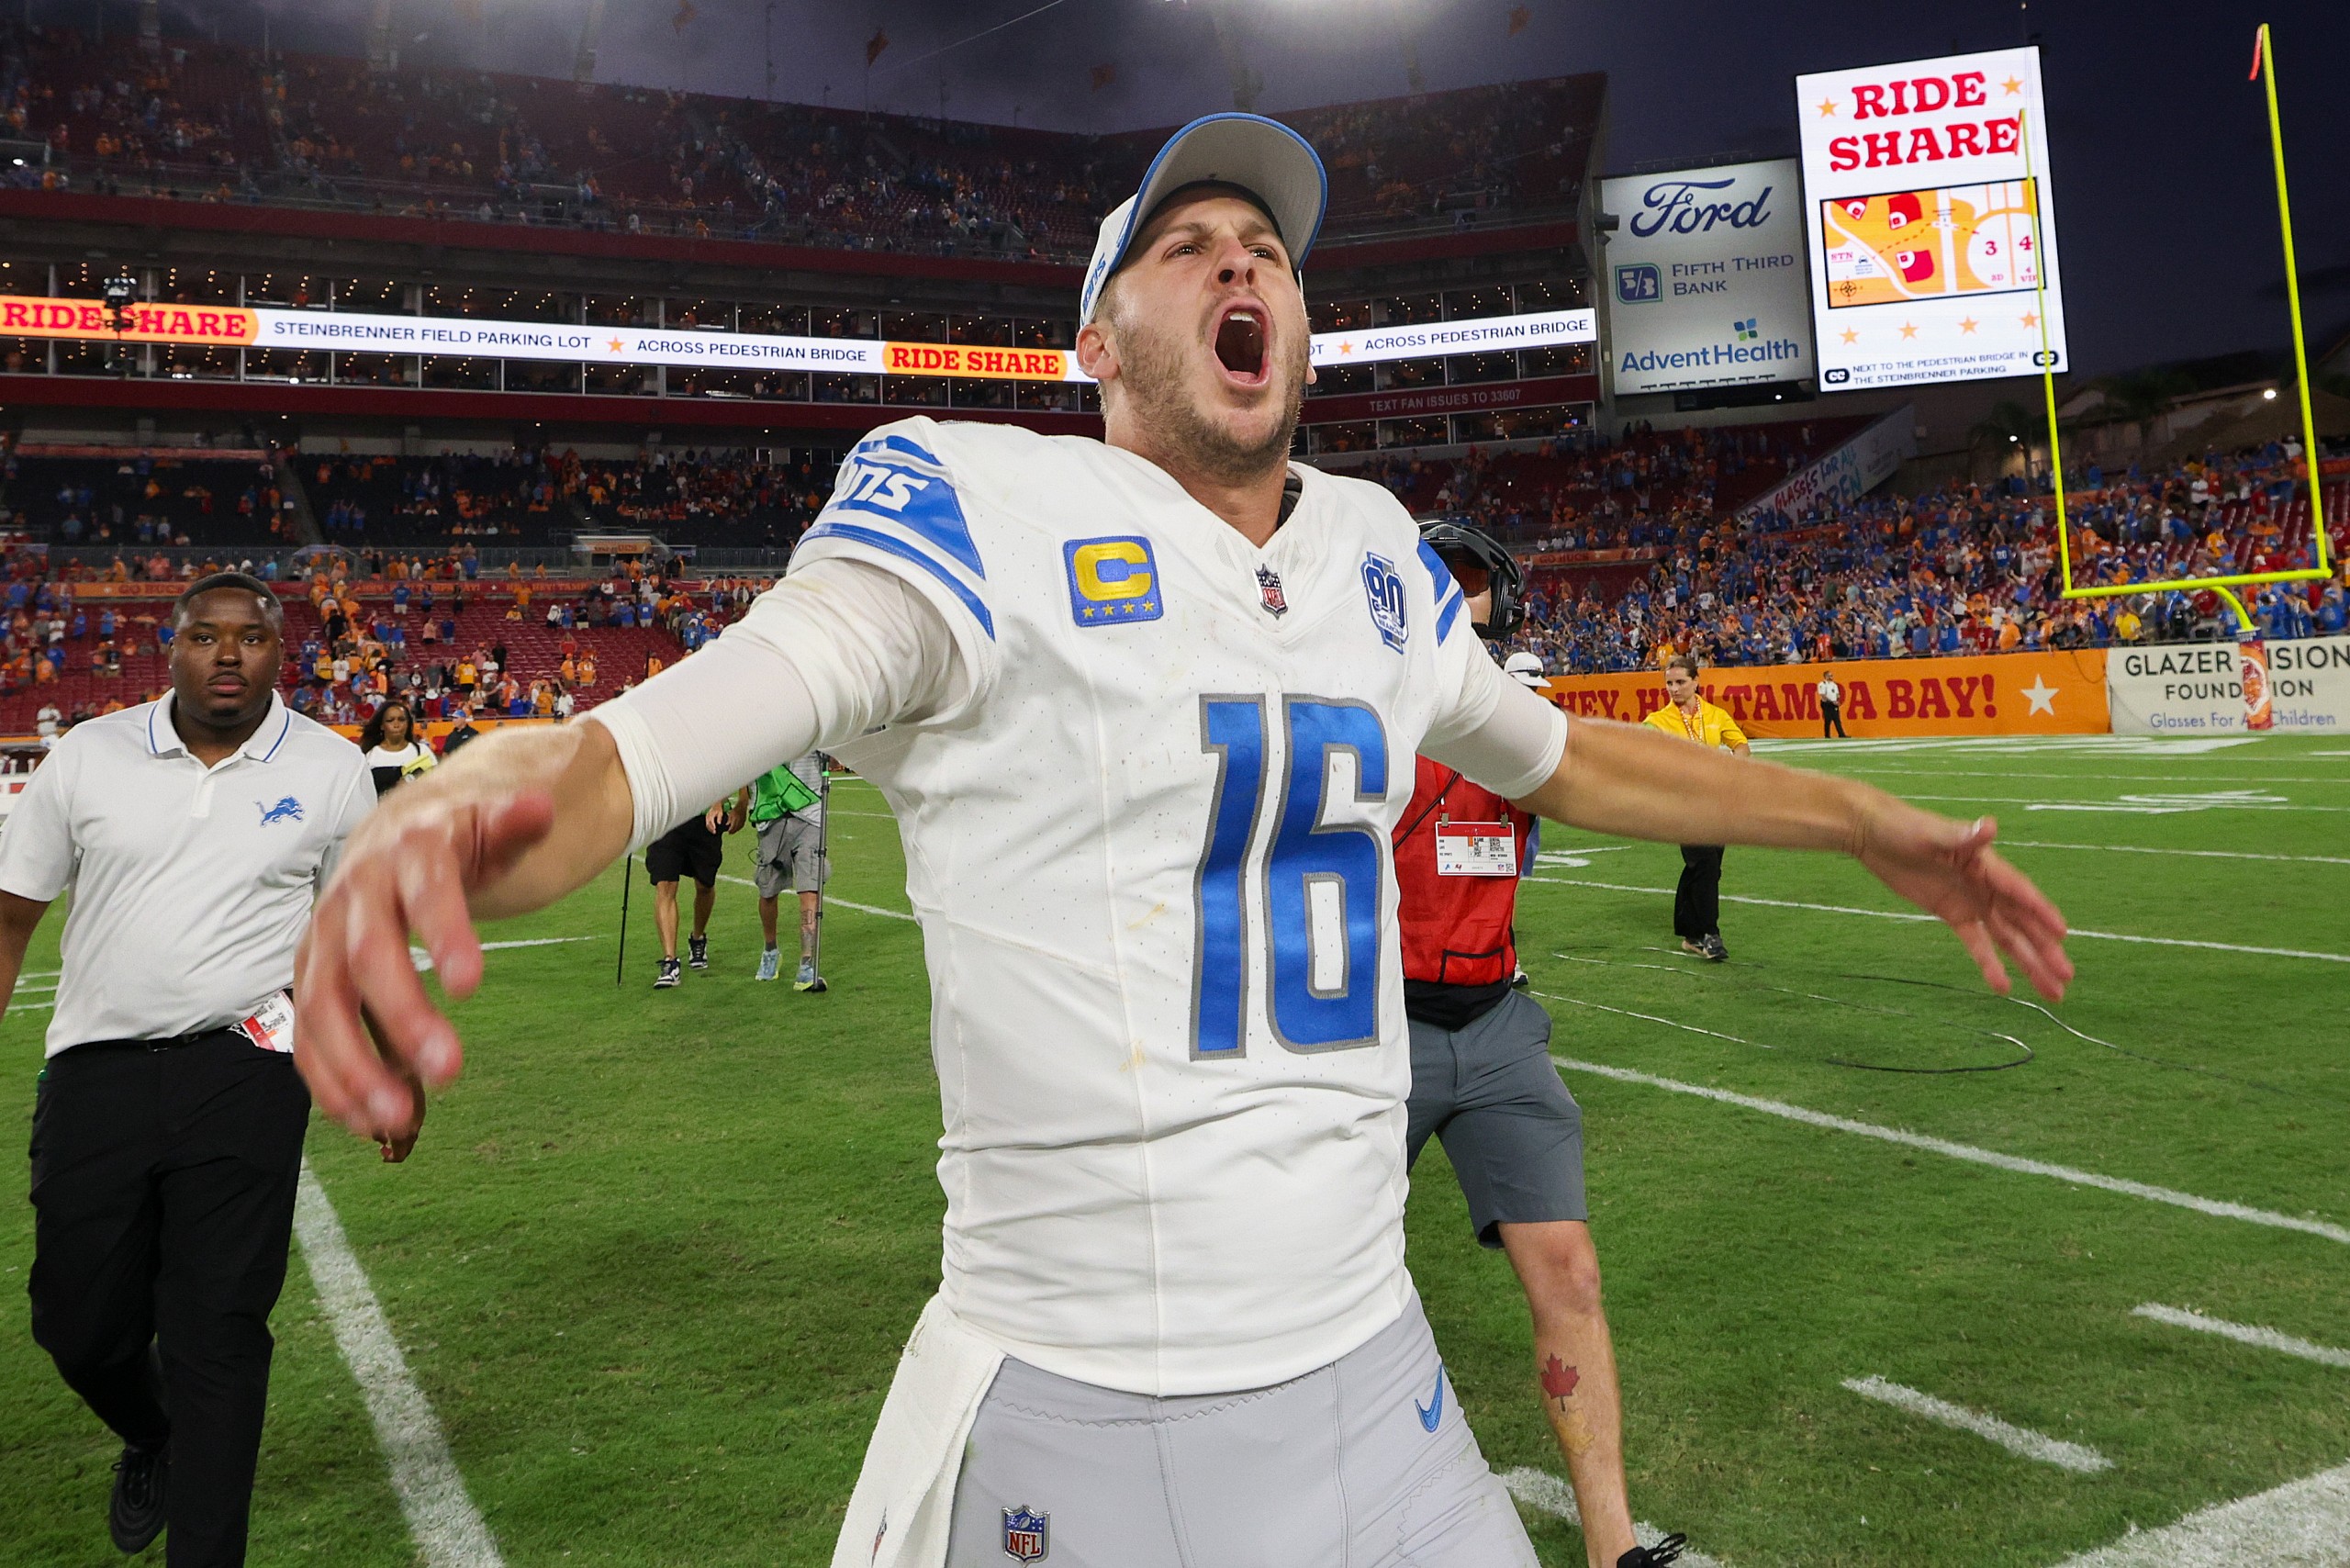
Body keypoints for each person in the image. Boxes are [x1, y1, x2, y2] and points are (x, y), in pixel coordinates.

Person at [288, 114, 2071, 1568]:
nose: (1241, 264)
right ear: (1096, 339)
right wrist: (455, 805)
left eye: (1269, 250)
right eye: (1186, 244)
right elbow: (646, 743)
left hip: (1380, 1375)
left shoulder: (1376, 553)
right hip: (1090, 1405)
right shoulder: (976, 505)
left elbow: (1570, 761)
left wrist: (1864, 821)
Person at [0, 574, 382, 1566]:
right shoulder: (90, 755)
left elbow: (355, 936)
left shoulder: (332, 769)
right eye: (205, 636)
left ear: (280, 652)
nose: (227, 655)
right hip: (97, 1070)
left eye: (249, 637)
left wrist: (385, 1067)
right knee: (78, 1325)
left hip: (247, 1069)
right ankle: (151, 1429)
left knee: (219, 1331)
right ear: (169, 646)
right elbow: (9, 916)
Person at [1397, 522, 1673, 1568]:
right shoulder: (1367, 712)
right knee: (1314, 1274)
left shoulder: (1518, 722)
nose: (1462, 604)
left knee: (1570, 1271)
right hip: (1373, 1030)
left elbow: (1589, 801)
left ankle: (1614, 1547)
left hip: (1497, 1018)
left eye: (1472, 590)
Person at [1643, 655, 1750, 961]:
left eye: (1680, 682)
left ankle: (1690, 934)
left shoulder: (1715, 715)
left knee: (1706, 866)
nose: (1674, 689)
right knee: (1705, 864)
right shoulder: (1657, 721)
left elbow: (1741, 745)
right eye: (1669, 683)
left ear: (1696, 681)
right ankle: (1710, 934)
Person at [644, 789, 745, 988]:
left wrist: (728, 804)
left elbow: (726, 772)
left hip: (704, 817)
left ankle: (698, 937)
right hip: (666, 817)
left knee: (705, 885)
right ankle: (670, 961)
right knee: (665, 884)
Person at [747, 753, 826, 988]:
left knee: (809, 889)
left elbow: (833, 758)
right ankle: (770, 950)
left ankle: (807, 964)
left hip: (810, 813)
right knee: (768, 891)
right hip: (770, 814)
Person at [357, 700, 437, 796]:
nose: (396, 725)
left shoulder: (422, 751)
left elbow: (437, 786)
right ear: (382, 726)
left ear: (408, 723)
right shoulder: (370, 755)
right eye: (390, 720)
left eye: (402, 720)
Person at [1818, 668, 1846, 738]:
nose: (1832, 677)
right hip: (1827, 704)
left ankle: (1841, 734)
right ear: (1826, 676)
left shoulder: (1834, 685)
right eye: (1830, 676)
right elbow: (1823, 695)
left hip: (1834, 703)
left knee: (1837, 719)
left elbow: (1837, 694)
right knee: (1828, 720)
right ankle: (1827, 735)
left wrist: (1837, 701)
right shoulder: (1822, 684)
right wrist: (1831, 701)